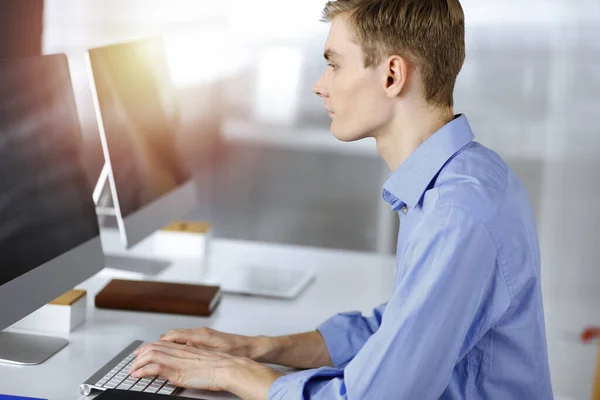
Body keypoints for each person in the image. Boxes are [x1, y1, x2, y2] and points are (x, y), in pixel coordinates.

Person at [130, 0, 554, 398]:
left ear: (392, 76)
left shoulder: (457, 213)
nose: (319, 85)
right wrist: (259, 348)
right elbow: (399, 329)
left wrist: (232, 373)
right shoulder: (463, 178)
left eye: (333, 64)